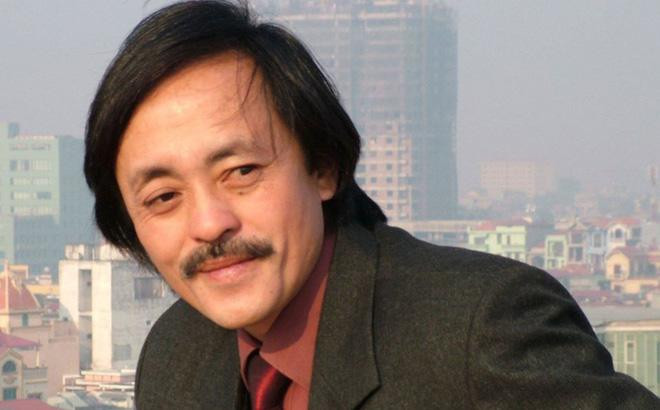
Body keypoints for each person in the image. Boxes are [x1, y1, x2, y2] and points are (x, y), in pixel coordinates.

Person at [83, 1, 659, 409]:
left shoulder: (479, 327)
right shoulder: (176, 354)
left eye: (242, 172)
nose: (210, 224)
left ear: (324, 167)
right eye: (163, 197)